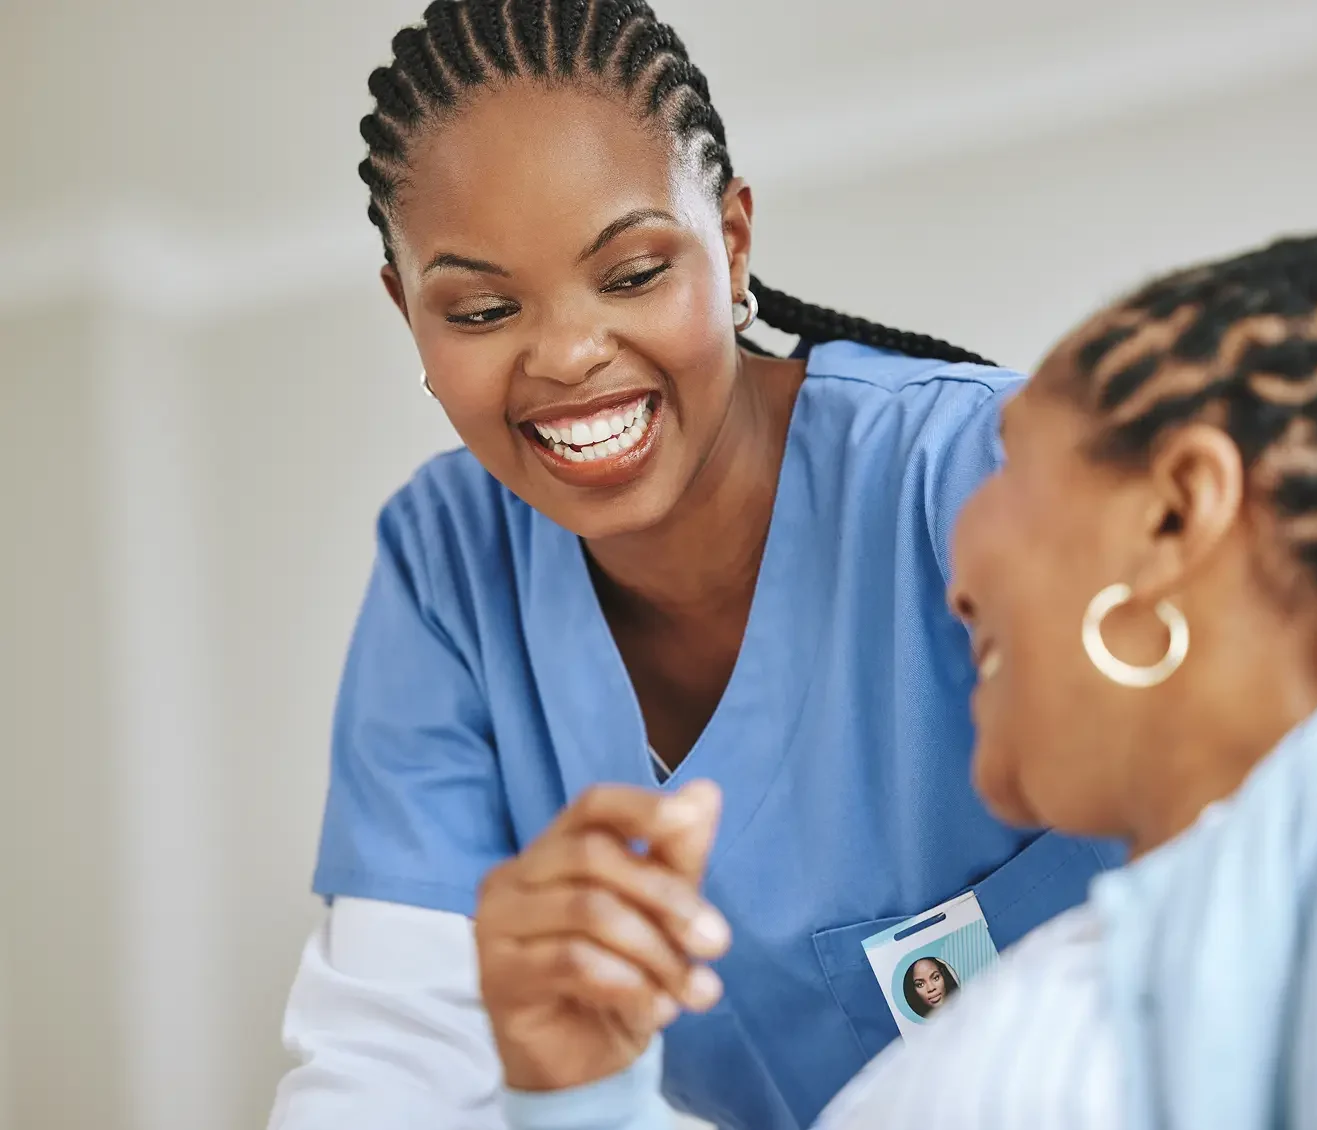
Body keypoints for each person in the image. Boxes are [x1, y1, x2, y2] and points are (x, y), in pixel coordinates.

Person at [265, 3, 1122, 1129]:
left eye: (629, 274)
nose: (568, 354)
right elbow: (384, 1071)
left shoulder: (979, 477)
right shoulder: (448, 574)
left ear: (733, 242)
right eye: (480, 307)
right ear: (405, 311)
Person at [485, 231, 1317, 1130]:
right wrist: (579, 1094)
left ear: (1176, 513)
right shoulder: (1104, 960)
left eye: (1011, 461)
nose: (956, 575)